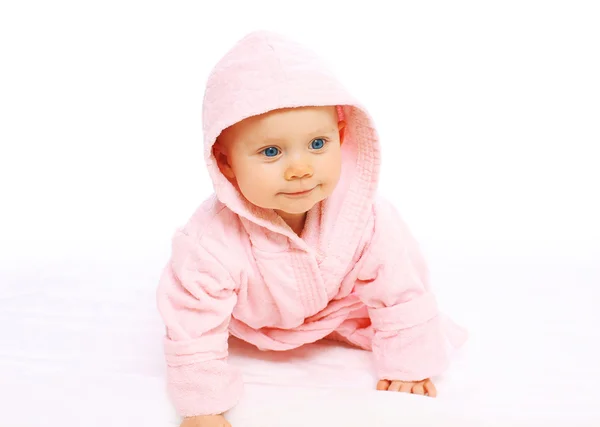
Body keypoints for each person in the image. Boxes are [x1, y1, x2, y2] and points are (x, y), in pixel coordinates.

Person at [157, 30, 467, 427]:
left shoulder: (364, 216)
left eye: (318, 144)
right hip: (251, 323)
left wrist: (409, 364)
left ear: (341, 136)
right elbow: (192, 324)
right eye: (271, 151)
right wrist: (202, 408)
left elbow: (400, 288)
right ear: (226, 162)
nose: (300, 168)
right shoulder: (208, 242)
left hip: (334, 311)